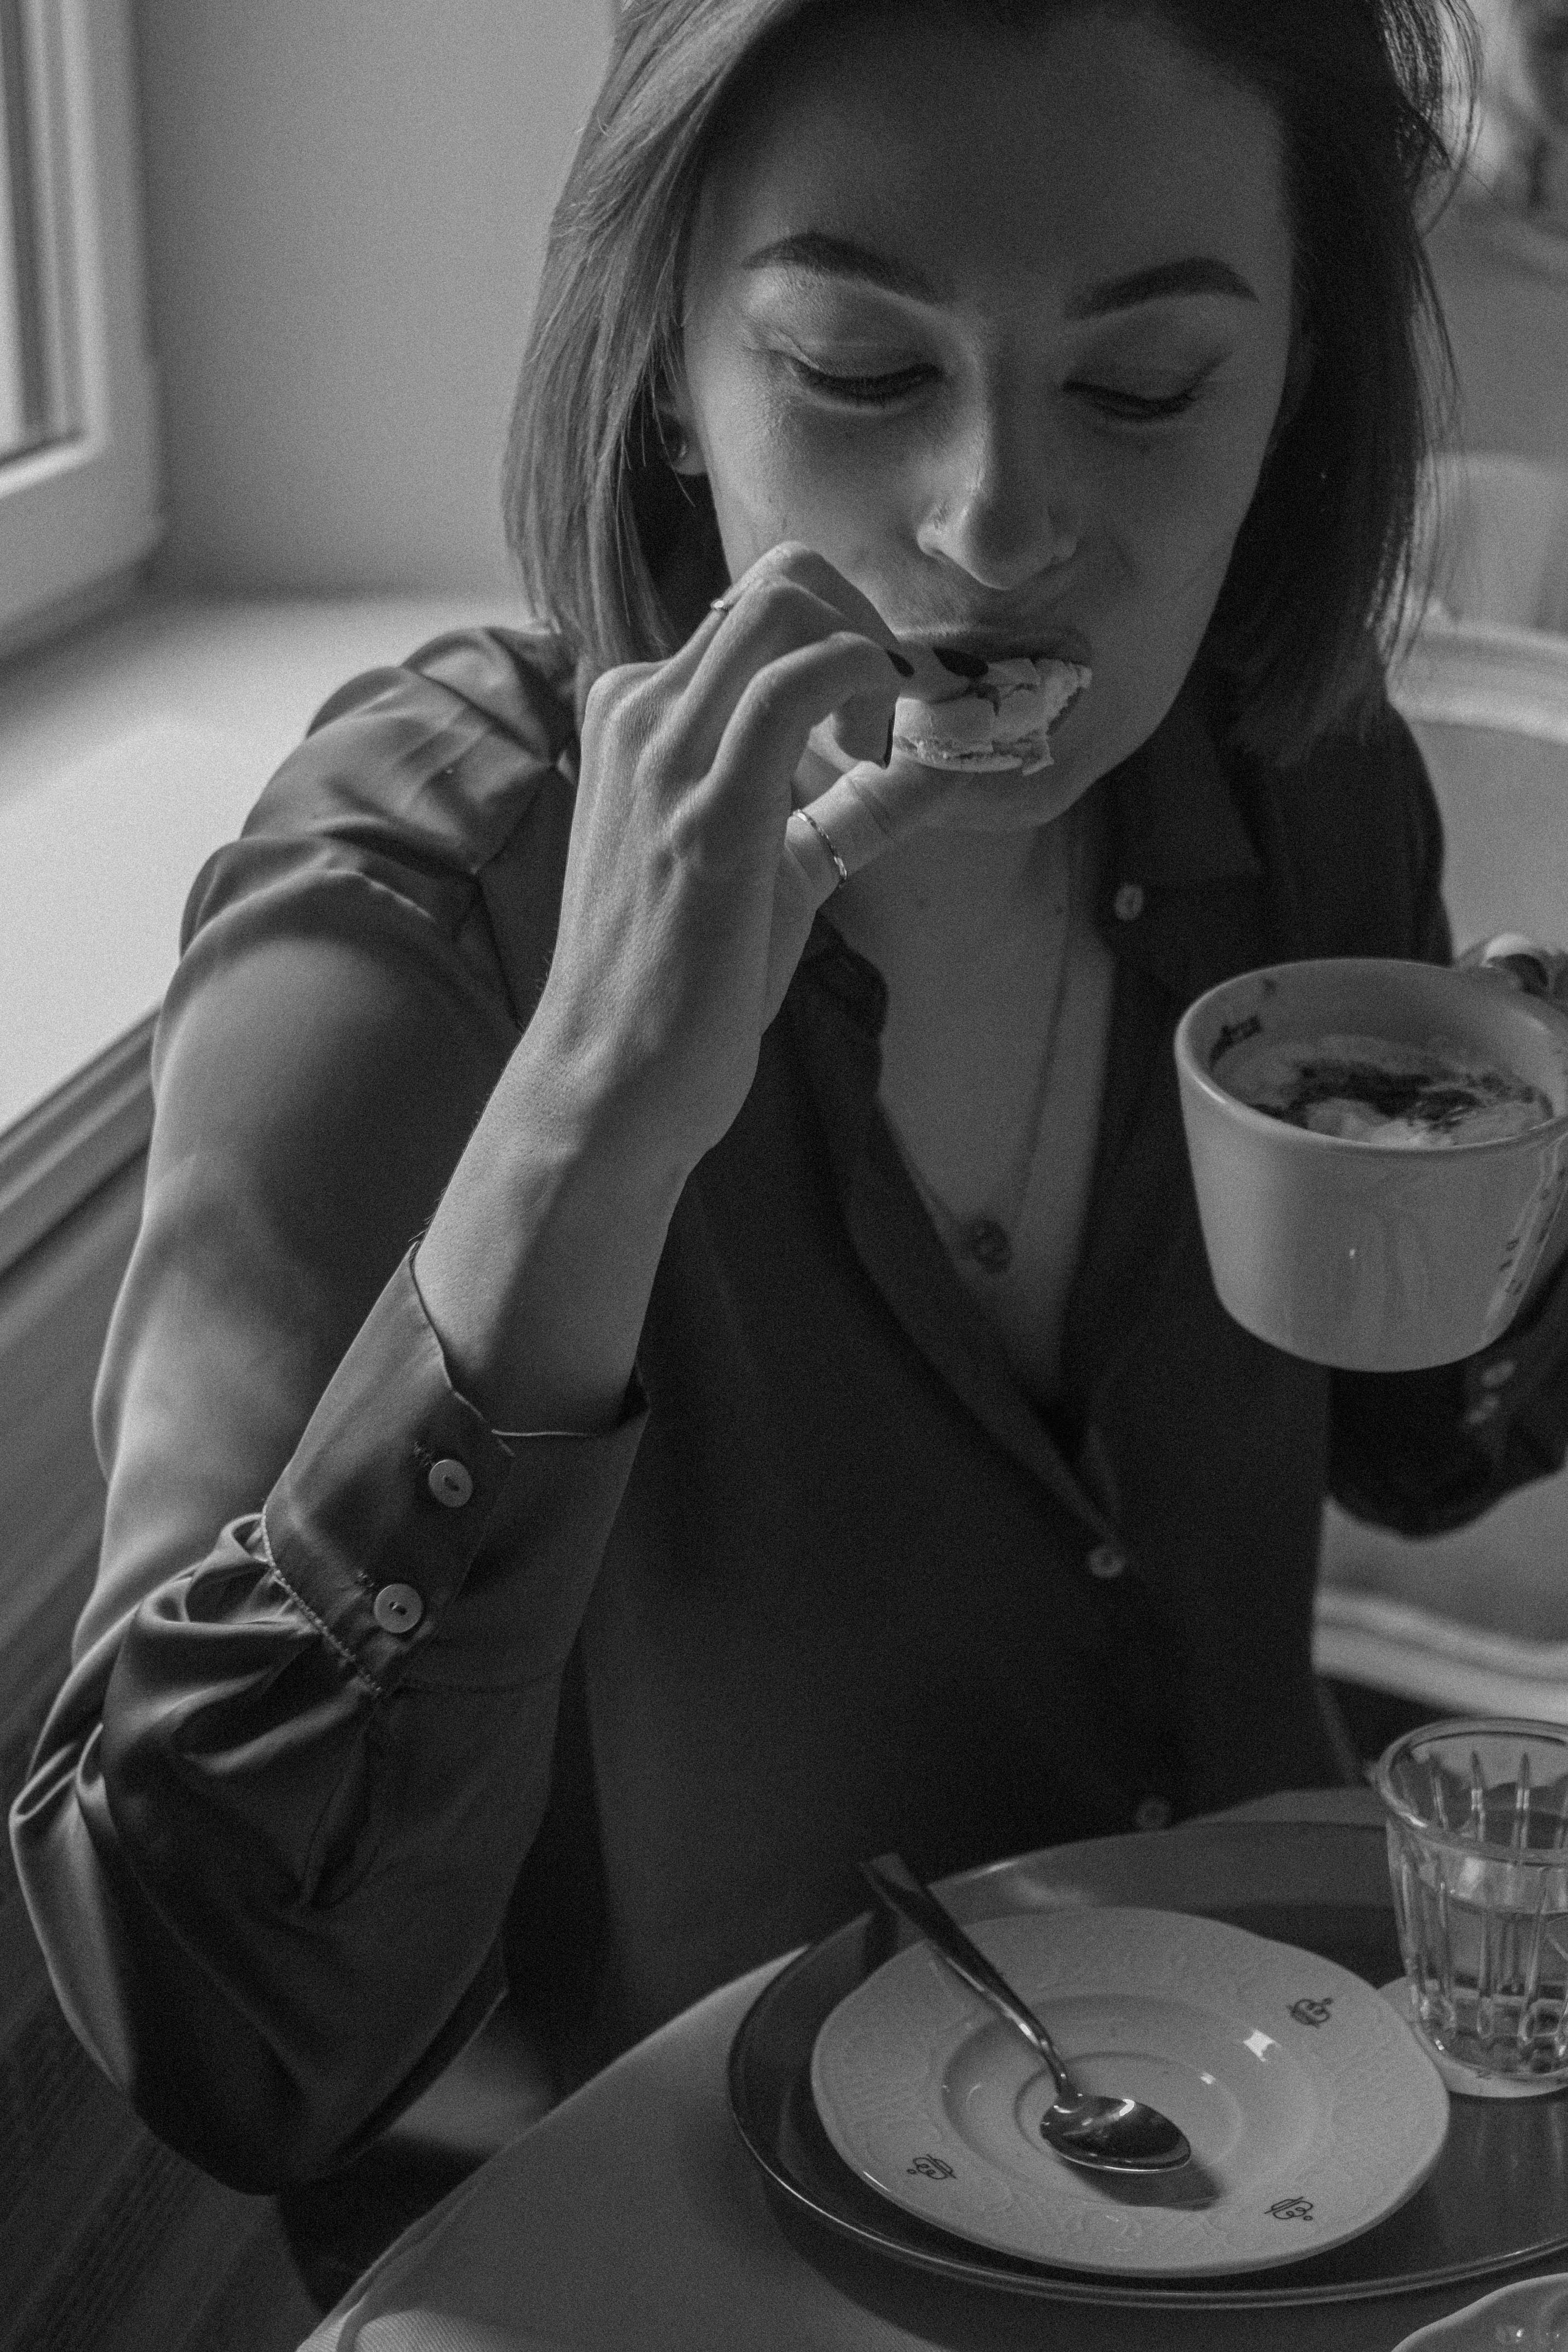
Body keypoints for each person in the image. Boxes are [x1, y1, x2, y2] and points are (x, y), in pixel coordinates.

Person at [12, 0, 1568, 2273]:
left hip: (1280, 2175)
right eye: (855, 365)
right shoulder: (410, 919)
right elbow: (225, 2033)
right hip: (662, 2264)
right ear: (665, 360)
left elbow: (1412, 1426)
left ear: (1306, 381)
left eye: (1143, 390)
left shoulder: (1299, 798)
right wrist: (584, 1128)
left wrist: (1516, 1168)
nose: (996, 525)